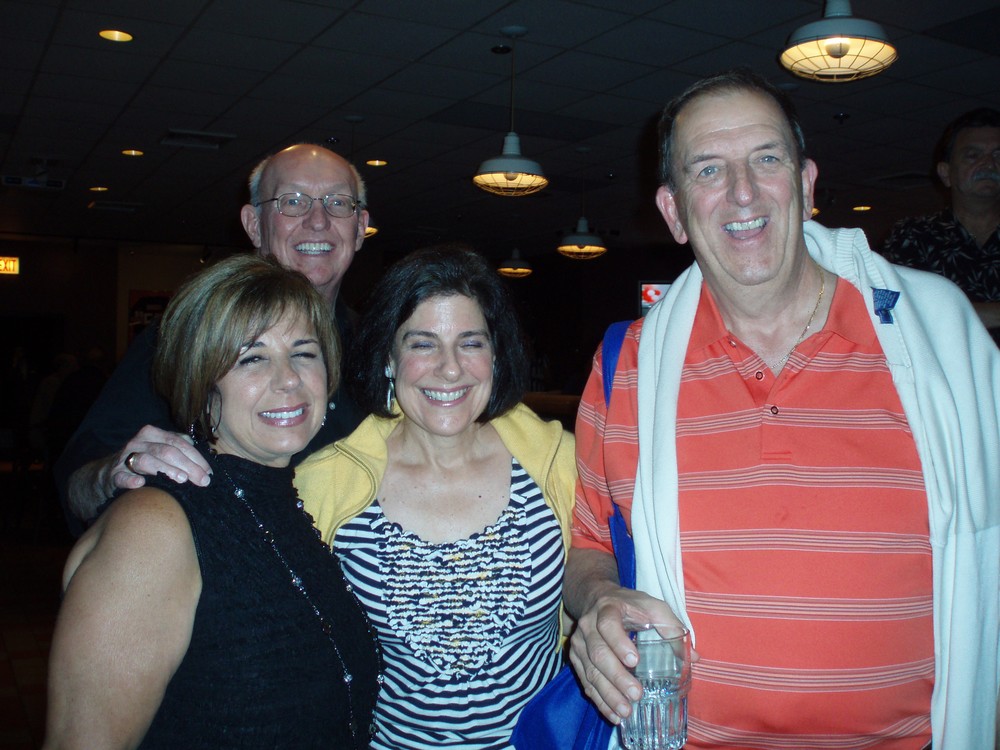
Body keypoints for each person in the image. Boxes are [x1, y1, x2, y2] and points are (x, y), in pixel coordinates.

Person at [566, 68, 999, 749]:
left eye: (766, 159)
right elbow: (588, 542)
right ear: (674, 212)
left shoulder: (939, 337)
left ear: (805, 183)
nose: (743, 191)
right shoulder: (627, 364)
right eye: (709, 169)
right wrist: (598, 600)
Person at [43, 254, 381, 750]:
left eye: (304, 353)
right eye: (252, 358)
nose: (289, 379)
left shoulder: (296, 502)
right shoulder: (154, 528)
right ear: (201, 384)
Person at [294, 245, 577, 749]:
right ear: (388, 357)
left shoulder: (560, 464)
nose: (450, 369)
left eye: (471, 343)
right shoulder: (323, 484)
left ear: (496, 355)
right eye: (423, 344)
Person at [53, 143, 369, 537]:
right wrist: (119, 471)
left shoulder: (381, 347)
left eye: (338, 203)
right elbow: (79, 481)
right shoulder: (186, 336)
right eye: (292, 201)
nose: (318, 220)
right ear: (254, 224)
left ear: (360, 228)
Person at [882, 107, 1000, 339]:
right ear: (946, 173)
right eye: (973, 155)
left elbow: (926, 312)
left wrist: (949, 312)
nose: (988, 164)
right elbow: (890, 309)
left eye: (998, 155)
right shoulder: (913, 237)